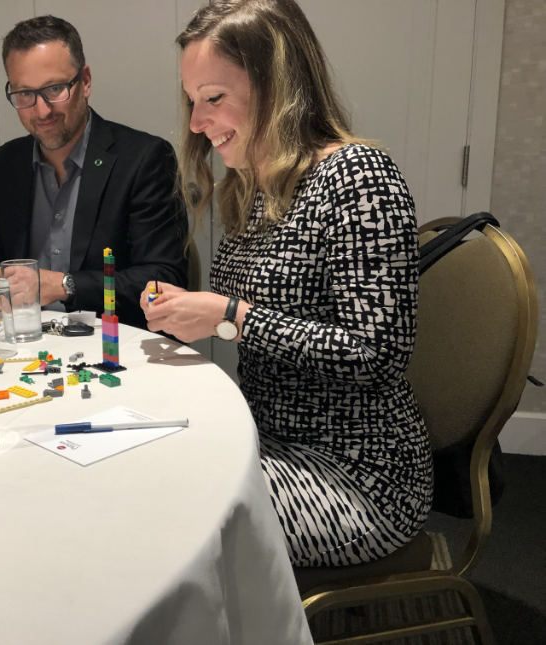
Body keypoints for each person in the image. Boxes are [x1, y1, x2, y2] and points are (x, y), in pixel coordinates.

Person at [143, 0, 432, 567]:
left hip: (359, 475)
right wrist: (195, 310)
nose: (197, 123)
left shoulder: (358, 177)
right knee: (146, 471)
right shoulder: (255, 188)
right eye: (192, 101)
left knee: (165, 512)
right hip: (268, 440)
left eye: (214, 98)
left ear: (278, 85)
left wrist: (231, 317)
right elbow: (250, 311)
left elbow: (378, 354)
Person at [0, 15, 187, 329]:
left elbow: (163, 279)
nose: (42, 110)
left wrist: (65, 285)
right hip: (27, 344)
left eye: (55, 89)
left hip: (113, 345)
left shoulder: (144, 158)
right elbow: (0, 269)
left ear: (85, 81)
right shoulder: (8, 162)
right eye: (24, 94)